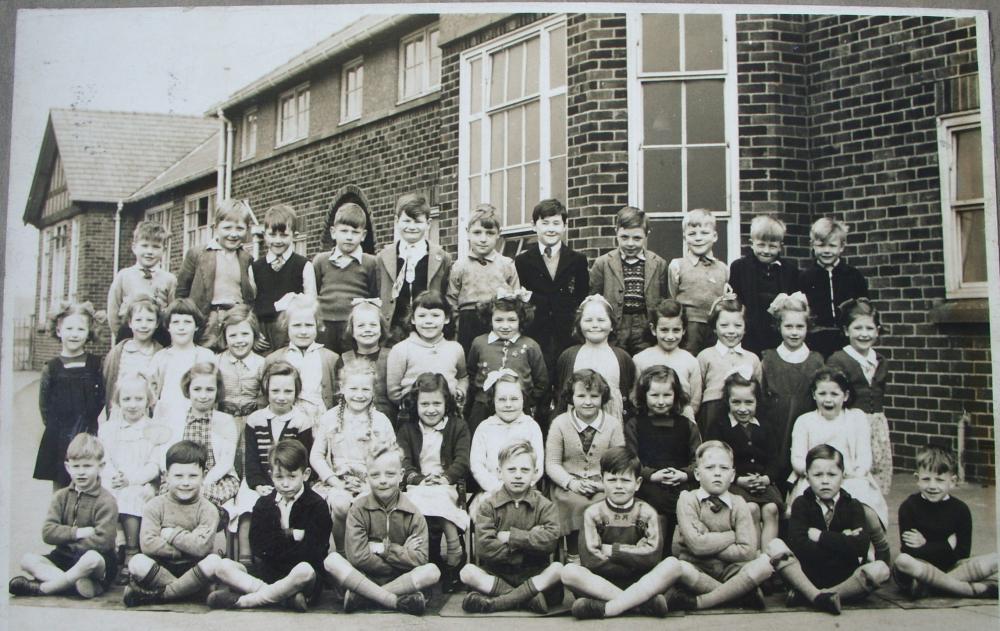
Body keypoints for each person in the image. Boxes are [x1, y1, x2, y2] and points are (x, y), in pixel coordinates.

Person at [205, 439, 331, 611]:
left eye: (292, 476)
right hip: (269, 574)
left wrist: (278, 540)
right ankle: (285, 598)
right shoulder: (264, 504)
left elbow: (313, 551)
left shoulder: (317, 505)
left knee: (305, 570)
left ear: (306, 474)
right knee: (223, 567)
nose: (285, 484)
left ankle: (247, 601)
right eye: (279, 477)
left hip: (301, 578)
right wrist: (292, 535)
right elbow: (259, 546)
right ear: (271, 475)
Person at [768, 444, 890, 614]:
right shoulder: (801, 504)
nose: (825, 481)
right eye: (817, 475)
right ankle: (820, 596)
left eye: (832, 475)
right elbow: (800, 546)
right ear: (807, 477)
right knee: (774, 545)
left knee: (881, 569)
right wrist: (842, 540)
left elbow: (861, 546)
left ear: (843, 476)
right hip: (809, 576)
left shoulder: (853, 506)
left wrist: (821, 537)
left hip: (846, 580)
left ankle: (814, 596)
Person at [323, 442, 441, 615]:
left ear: (401, 475)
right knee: (332, 560)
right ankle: (392, 600)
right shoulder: (358, 509)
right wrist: (402, 554)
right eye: (375, 475)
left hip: (399, 580)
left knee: (432, 571)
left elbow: (421, 559)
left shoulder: (413, 513)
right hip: (364, 577)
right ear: (367, 477)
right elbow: (358, 557)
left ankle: (364, 598)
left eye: (390, 474)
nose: (383, 480)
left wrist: (382, 549)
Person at [788, 367, 891, 563]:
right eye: (822, 393)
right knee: (804, 505)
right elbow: (798, 460)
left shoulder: (856, 417)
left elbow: (864, 460)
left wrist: (850, 474)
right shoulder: (805, 421)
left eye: (834, 394)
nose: (828, 399)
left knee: (863, 503)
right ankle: (819, 553)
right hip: (814, 477)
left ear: (845, 396)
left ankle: (879, 546)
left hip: (850, 476)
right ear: (813, 395)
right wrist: (813, 473)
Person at [561, 446, 674, 619]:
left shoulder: (647, 512)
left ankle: (605, 607)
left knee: (672, 564)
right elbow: (591, 559)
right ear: (602, 481)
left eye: (625, 481)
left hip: (641, 581)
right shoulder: (592, 513)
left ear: (637, 484)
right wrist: (634, 553)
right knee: (569, 572)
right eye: (612, 480)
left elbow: (652, 556)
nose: (619, 486)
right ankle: (641, 605)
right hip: (602, 583)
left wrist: (612, 550)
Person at [667, 441, 775, 612]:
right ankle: (738, 594)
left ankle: (705, 600)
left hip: (731, 571)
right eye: (710, 468)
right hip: (697, 569)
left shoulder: (739, 503)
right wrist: (732, 536)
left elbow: (747, 550)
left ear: (732, 476)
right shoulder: (687, 499)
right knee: (679, 568)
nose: (717, 473)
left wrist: (707, 541)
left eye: (724, 468)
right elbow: (697, 546)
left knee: (765, 563)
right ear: (697, 473)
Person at [9, 434, 118, 599]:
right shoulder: (61, 497)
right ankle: (76, 584)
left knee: (92, 559)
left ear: (100, 467)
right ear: (68, 467)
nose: (81, 472)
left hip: (95, 561)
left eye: (87, 466)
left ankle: (45, 588)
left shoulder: (106, 500)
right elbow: (47, 532)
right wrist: (78, 533)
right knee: (27, 560)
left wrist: (66, 539)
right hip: (63, 557)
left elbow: (104, 541)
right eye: (76, 466)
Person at [461, 440, 564, 614]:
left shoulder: (545, 506)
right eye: (511, 470)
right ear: (500, 473)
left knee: (558, 569)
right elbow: (485, 548)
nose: (518, 475)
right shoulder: (487, 506)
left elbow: (550, 543)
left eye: (525, 470)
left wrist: (510, 537)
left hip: (535, 573)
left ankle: (497, 604)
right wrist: (529, 539)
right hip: (497, 574)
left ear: (535, 473)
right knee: (468, 572)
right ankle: (526, 598)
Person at [514, 198, 589, 424]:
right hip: (536, 333)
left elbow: (582, 297)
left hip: (567, 334)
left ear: (565, 227)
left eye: (556, 223)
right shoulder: (522, 260)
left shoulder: (577, 259)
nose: (551, 229)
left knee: (566, 385)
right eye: (545, 223)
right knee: (540, 386)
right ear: (534, 225)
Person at [234, 360, 313, 568]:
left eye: (288, 391)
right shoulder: (255, 420)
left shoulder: (301, 421)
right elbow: (250, 460)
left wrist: (288, 483)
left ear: (296, 392)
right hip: (260, 479)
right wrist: (258, 484)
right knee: (247, 503)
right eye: (275, 390)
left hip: (290, 481)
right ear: (266, 390)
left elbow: (303, 460)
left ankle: (290, 557)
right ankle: (245, 558)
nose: (281, 396)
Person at [396, 372, 471, 591]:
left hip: (447, 484)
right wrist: (419, 479)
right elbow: (403, 462)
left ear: (446, 402)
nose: (431, 409)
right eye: (425, 404)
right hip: (417, 485)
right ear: (416, 404)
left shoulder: (458, 427)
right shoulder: (407, 430)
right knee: (418, 501)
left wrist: (445, 477)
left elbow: (462, 460)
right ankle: (435, 555)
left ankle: (454, 552)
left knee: (439, 495)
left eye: (437, 403)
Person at [122, 441, 220, 607]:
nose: (185, 482)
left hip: (194, 568)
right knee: (137, 562)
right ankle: (193, 593)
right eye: (178, 476)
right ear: (167, 476)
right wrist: (183, 547)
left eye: (193, 476)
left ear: (203, 476)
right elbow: (148, 544)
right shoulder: (154, 505)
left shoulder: (208, 509)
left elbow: (201, 547)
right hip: (162, 567)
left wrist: (169, 534)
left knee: (214, 561)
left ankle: (161, 595)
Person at [892, 446, 998, 599]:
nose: (932, 486)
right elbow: (910, 552)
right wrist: (946, 545)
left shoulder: (961, 510)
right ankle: (967, 590)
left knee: (996, 559)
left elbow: (962, 553)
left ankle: (931, 587)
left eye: (940, 480)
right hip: (919, 568)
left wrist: (926, 544)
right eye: (926, 479)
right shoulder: (909, 507)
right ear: (917, 479)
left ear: (952, 481)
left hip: (952, 568)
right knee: (902, 562)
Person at [311, 360, 395, 552]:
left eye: (365, 389)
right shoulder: (329, 418)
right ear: (342, 388)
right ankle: (343, 552)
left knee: (366, 505)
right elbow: (316, 456)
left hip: (371, 481)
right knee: (340, 504)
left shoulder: (381, 422)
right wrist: (334, 481)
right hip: (338, 481)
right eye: (353, 388)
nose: (359, 395)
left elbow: (392, 458)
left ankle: (365, 552)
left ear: (373, 391)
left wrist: (372, 483)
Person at [546, 369, 626, 563]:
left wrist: (603, 485)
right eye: (581, 396)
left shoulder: (613, 425)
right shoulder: (560, 423)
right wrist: (571, 483)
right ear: (571, 397)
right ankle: (574, 555)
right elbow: (552, 463)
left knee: (604, 503)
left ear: (603, 397)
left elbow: (620, 462)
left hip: (602, 484)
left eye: (594, 396)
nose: (588, 401)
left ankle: (599, 554)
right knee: (574, 502)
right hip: (568, 485)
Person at [625, 365, 701, 548]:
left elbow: (699, 459)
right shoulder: (635, 425)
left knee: (685, 502)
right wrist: (651, 475)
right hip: (648, 484)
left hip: (682, 483)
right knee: (655, 506)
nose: (661, 401)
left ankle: (681, 552)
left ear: (676, 396)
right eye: (654, 395)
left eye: (667, 395)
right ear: (644, 395)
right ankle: (656, 554)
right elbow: (631, 459)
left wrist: (684, 474)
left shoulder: (687, 425)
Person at [34, 301, 106, 490]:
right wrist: (59, 430)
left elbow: (102, 400)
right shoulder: (51, 368)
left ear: (89, 332)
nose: (74, 334)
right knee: (61, 489)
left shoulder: (96, 365)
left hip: (89, 433)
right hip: (60, 437)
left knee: (90, 484)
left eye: (80, 329)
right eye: (69, 328)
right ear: (58, 331)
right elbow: (45, 407)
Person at [98, 373, 161, 584]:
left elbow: (155, 464)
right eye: (126, 399)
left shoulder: (155, 429)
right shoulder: (108, 429)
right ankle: (112, 549)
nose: (132, 405)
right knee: (106, 495)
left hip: (140, 481)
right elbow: (103, 458)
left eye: (139, 399)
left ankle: (131, 552)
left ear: (149, 401)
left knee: (132, 495)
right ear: (117, 401)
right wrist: (113, 475)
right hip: (113, 478)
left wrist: (132, 479)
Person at [706, 374, 782, 549]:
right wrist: (738, 478)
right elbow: (715, 460)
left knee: (771, 509)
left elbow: (774, 459)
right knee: (751, 509)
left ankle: (769, 557)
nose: (742, 409)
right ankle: (753, 555)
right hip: (734, 484)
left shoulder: (765, 425)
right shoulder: (720, 425)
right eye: (736, 402)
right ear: (727, 401)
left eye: (749, 402)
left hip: (763, 482)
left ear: (757, 402)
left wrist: (767, 478)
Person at [758, 292, 825, 490]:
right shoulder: (768, 359)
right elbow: (761, 396)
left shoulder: (816, 360)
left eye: (800, 327)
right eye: (788, 326)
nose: (794, 332)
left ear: (807, 328)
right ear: (778, 327)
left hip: (806, 424)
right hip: (775, 425)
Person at [160, 363, 240, 526]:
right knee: (171, 496)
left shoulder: (225, 421)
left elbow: (226, 462)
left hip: (215, 479)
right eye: (197, 389)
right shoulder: (175, 419)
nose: (203, 395)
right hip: (181, 477)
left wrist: (202, 482)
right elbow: (165, 455)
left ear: (218, 391)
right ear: (188, 390)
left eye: (209, 390)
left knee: (202, 496)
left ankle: (205, 532)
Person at [827, 298, 893, 493]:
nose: (864, 334)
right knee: (852, 473)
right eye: (858, 328)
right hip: (851, 424)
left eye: (869, 329)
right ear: (847, 331)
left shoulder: (880, 360)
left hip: (876, 424)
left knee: (877, 471)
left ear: (877, 331)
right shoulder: (839, 360)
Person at [175, 199, 256, 351]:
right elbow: (181, 294)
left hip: (235, 319)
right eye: (227, 228)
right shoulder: (197, 254)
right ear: (215, 227)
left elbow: (250, 297)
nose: (233, 234)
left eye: (239, 228)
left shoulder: (246, 258)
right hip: (207, 319)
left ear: (247, 230)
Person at [589, 206, 668, 355]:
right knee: (617, 360)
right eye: (624, 237)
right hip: (616, 325)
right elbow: (594, 298)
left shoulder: (658, 263)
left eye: (637, 238)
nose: (630, 243)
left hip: (645, 324)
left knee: (645, 362)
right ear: (616, 233)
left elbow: (662, 300)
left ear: (646, 235)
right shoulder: (603, 263)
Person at [465, 290, 548, 432]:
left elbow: (541, 381)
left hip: (516, 408)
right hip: (482, 409)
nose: (505, 325)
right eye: (499, 320)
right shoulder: (479, 343)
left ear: (520, 320)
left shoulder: (530, 346)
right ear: (490, 319)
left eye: (511, 320)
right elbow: (471, 374)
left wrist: (526, 400)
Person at [377, 193, 453, 344]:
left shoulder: (442, 258)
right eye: (406, 221)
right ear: (397, 221)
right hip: (392, 334)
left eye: (417, 222)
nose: (412, 227)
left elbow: (446, 297)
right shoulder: (382, 257)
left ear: (428, 223)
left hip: (428, 332)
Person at [447, 204, 521, 354]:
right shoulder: (459, 266)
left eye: (489, 233)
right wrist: (456, 328)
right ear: (467, 233)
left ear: (498, 234)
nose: (483, 239)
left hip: (498, 322)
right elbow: (451, 300)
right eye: (477, 232)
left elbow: (516, 299)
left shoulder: (507, 265)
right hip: (468, 323)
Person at [554, 295, 636, 421]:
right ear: (579, 325)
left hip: (612, 423)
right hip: (576, 423)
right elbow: (561, 392)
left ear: (612, 325)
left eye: (601, 320)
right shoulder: (568, 356)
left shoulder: (622, 357)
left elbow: (628, 389)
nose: (595, 325)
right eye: (588, 320)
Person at [312, 202, 380, 354]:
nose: (349, 237)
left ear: (363, 235)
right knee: (325, 365)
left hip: (354, 326)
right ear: (333, 232)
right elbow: (313, 294)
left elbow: (374, 296)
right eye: (344, 231)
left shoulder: (371, 263)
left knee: (350, 367)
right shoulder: (321, 261)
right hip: (324, 326)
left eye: (355, 232)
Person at [727, 214, 799, 355]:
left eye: (772, 246)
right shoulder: (739, 267)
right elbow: (736, 304)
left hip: (780, 335)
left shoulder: (789, 270)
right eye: (761, 245)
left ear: (780, 247)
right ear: (751, 242)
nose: (766, 251)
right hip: (749, 335)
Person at [264, 293, 339, 425]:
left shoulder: (331, 358)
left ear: (318, 325)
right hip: (286, 420)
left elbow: (337, 396)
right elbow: (264, 398)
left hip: (321, 419)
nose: (303, 331)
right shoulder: (274, 359)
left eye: (309, 325)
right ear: (286, 326)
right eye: (297, 325)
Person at [250, 203, 316, 352]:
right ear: (264, 235)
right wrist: (253, 333)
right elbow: (250, 305)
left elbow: (311, 305)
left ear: (294, 235)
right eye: (272, 235)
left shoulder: (304, 265)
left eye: (284, 235)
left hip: (292, 334)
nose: (278, 240)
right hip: (263, 336)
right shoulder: (255, 268)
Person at [799, 217, 868, 358]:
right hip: (815, 343)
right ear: (812, 245)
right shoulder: (804, 278)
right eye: (821, 245)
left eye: (832, 246)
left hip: (848, 342)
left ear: (842, 246)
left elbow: (864, 310)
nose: (826, 251)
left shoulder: (853, 276)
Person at [387, 290, 468, 408]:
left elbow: (463, 377)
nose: (428, 321)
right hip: (413, 417)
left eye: (435, 315)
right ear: (413, 319)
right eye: (422, 315)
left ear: (447, 318)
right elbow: (394, 392)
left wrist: (460, 391)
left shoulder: (455, 348)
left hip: (449, 414)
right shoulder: (401, 350)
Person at [469, 370, 545, 497]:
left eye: (514, 399)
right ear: (493, 400)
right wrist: (496, 488)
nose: (508, 404)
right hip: (492, 492)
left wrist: (521, 488)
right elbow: (477, 466)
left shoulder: (531, 426)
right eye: (502, 399)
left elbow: (538, 466)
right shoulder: (485, 428)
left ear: (523, 399)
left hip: (526, 492)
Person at [695, 296, 761, 436]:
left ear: (745, 328)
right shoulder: (705, 356)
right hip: (711, 413)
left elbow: (758, 396)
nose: (731, 331)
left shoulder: (752, 359)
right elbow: (696, 394)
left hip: (742, 414)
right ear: (714, 327)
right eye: (724, 325)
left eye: (737, 326)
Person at [667, 208, 729, 355]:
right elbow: (672, 298)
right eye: (692, 234)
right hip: (689, 328)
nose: (698, 238)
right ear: (684, 237)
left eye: (704, 233)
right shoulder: (677, 265)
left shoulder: (723, 268)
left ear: (714, 236)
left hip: (715, 328)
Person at [214, 305, 265, 480]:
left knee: (249, 463)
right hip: (224, 422)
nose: (239, 340)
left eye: (245, 334)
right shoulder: (217, 362)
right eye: (233, 335)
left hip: (252, 422)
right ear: (224, 337)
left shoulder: (262, 364)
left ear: (254, 334)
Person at [106, 219, 176, 346]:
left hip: (159, 335)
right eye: (144, 246)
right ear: (134, 247)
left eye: (155, 247)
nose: (149, 251)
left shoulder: (169, 279)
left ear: (164, 250)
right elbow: (113, 310)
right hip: (129, 334)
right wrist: (122, 334)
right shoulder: (124, 275)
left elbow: (172, 311)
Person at [632, 298, 702, 419]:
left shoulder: (691, 361)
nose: (670, 336)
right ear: (653, 329)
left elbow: (695, 401)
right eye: (664, 330)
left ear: (684, 330)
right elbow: (635, 397)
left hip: (681, 424)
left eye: (676, 330)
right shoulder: (640, 359)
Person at [149, 298, 215, 424]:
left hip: (198, 418)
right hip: (166, 419)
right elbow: (152, 393)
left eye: (187, 322)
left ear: (196, 326)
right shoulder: (160, 358)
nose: (181, 327)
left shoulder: (206, 356)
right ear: (168, 327)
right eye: (176, 322)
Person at [336, 298, 396, 424]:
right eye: (361, 325)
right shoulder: (344, 359)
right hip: (351, 420)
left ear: (381, 328)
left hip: (386, 420)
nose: (367, 329)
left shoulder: (392, 356)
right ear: (352, 330)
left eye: (373, 325)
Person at [102, 296, 164, 416]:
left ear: (157, 323)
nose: (144, 325)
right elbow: (108, 381)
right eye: (138, 320)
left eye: (150, 320)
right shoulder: (118, 352)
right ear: (130, 322)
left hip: (148, 416)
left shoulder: (161, 354)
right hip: (119, 413)